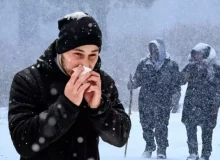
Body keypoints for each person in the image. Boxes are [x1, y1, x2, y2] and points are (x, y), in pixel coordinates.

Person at [8, 11, 131, 160]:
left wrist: (99, 107)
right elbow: (23, 143)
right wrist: (67, 104)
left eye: (93, 55)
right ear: (62, 51)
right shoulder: (28, 80)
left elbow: (120, 138)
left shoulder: (102, 82)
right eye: (78, 54)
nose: (86, 63)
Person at [127, 38, 181, 159]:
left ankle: (161, 150)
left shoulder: (171, 65)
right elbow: (137, 79)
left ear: (162, 49)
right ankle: (149, 146)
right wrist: (132, 84)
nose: (154, 51)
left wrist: (175, 100)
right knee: (146, 125)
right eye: (152, 48)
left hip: (164, 100)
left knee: (161, 125)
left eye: (156, 48)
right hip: (146, 99)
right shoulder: (144, 63)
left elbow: (176, 85)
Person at [181, 43, 220, 160]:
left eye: (200, 54)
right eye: (195, 54)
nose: (197, 56)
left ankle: (205, 154)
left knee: (207, 130)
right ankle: (193, 153)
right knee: (190, 128)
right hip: (191, 103)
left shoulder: (214, 68)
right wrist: (183, 76)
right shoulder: (190, 67)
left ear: (206, 54)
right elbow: (180, 80)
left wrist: (216, 102)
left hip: (208, 105)